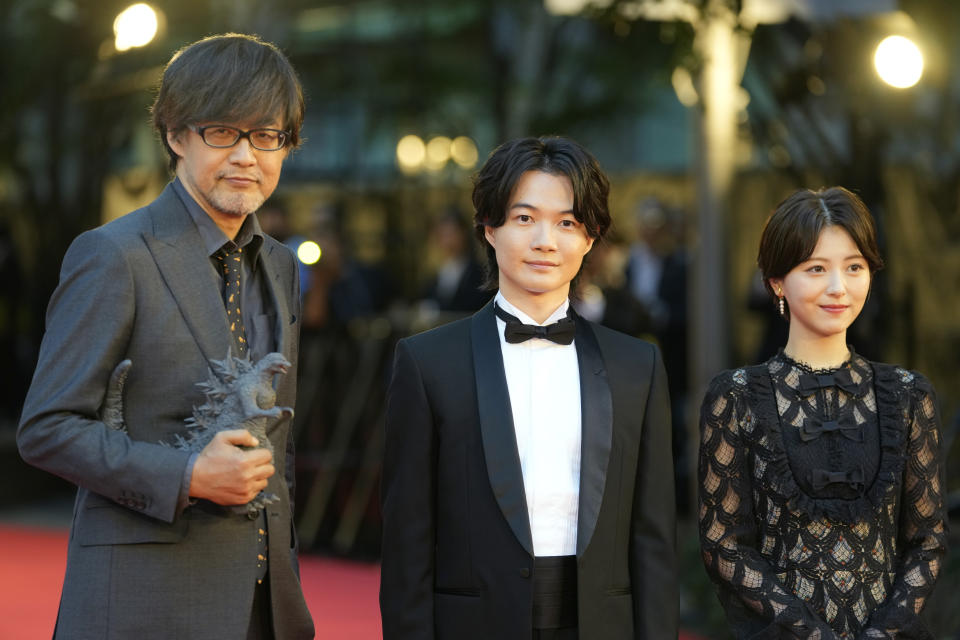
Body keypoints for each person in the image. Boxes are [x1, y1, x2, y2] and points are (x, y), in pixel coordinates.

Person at [17, 34, 314, 639]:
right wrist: (184, 477)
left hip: (267, 607)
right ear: (177, 136)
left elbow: (275, 445)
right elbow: (47, 429)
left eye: (267, 135)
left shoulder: (280, 265)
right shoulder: (113, 255)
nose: (246, 156)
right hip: (143, 604)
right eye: (222, 132)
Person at [380, 136, 678, 639]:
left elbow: (653, 541)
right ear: (489, 228)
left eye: (567, 222)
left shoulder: (637, 366)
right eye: (524, 218)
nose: (546, 240)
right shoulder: (428, 363)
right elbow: (407, 543)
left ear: (591, 238)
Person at [698, 187, 947, 639]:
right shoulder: (735, 397)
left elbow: (927, 540)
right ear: (777, 282)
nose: (839, 287)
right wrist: (808, 632)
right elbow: (724, 544)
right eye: (816, 269)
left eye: (854, 267)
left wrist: (882, 633)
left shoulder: (909, 395)